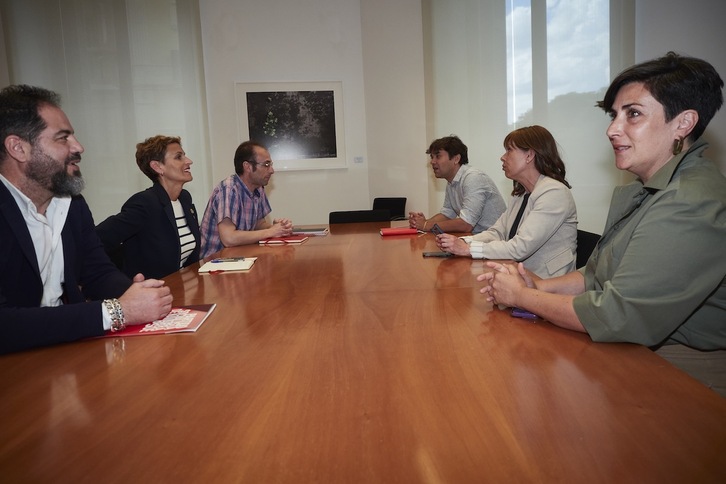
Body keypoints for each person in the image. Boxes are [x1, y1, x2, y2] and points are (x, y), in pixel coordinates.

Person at [480, 52, 726, 395]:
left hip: (683, 366)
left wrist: (523, 296)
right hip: (642, 349)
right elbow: (595, 273)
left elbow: (617, 315)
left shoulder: (689, 201)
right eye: (614, 116)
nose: (612, 129)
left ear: (683, 123)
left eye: (634, 114)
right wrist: (540, 288)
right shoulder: (647, 191)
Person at [0, 85, 172, 354]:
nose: (78, 147)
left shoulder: (72, 203)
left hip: (67, 354)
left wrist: (134, 293)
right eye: (62, 138)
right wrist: (117, 311)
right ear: (18, 148)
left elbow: (96, 272)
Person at [436, 126, 577, 278]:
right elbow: (497, 232)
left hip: (547, 282)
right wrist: (461, 241)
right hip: (520, 274)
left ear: (529, 155)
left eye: (509, 150)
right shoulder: (521, 194)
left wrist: (467, 249)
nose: (502, 157)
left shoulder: (554, 192)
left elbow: (520, 247)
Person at [96, 135, 200, 279]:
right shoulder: (144, 204)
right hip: (154, 294)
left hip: (185, 288)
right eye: (178, 157)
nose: (189, 161)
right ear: (157, 167)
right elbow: (97, 239)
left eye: (185, 156)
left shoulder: (185, 198)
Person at [200, 140, 292, 258]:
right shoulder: (229, 190)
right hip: (216, 264)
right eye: (266, 165)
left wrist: (277, 228)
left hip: (242, 257)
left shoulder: (258, 188)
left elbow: (259, 223)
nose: (272, 170)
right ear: (247, 166)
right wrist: (270, 232)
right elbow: (229, 238)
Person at [408, 135, 505, 233]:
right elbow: (447, 213)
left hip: (495, 241)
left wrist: (426, 225)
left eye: (438, 156)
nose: (432, 162)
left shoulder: (473, 178)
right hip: (477, 239)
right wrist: (422, 222)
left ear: (456, 159)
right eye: (432, 157)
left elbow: (466, 224)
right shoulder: (452, 182)